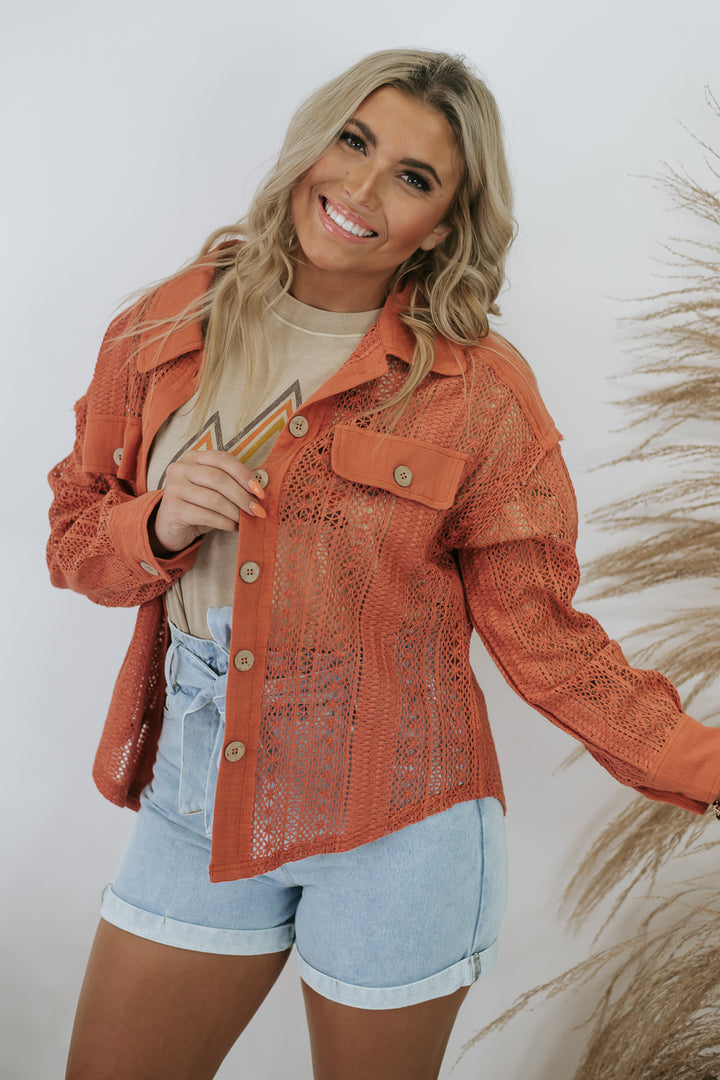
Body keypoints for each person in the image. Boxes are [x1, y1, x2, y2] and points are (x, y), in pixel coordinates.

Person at [47, 48, 720, 1080]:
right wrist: (158, 524)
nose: (360, 189)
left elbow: (547, 643)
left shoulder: (478, 392)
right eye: (352, 141)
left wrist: (702, 766)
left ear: (443, 224)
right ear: (312, 143)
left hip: (400, 820)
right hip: (193, 798)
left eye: (412, 176)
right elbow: (74, 543)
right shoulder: (162, 329)